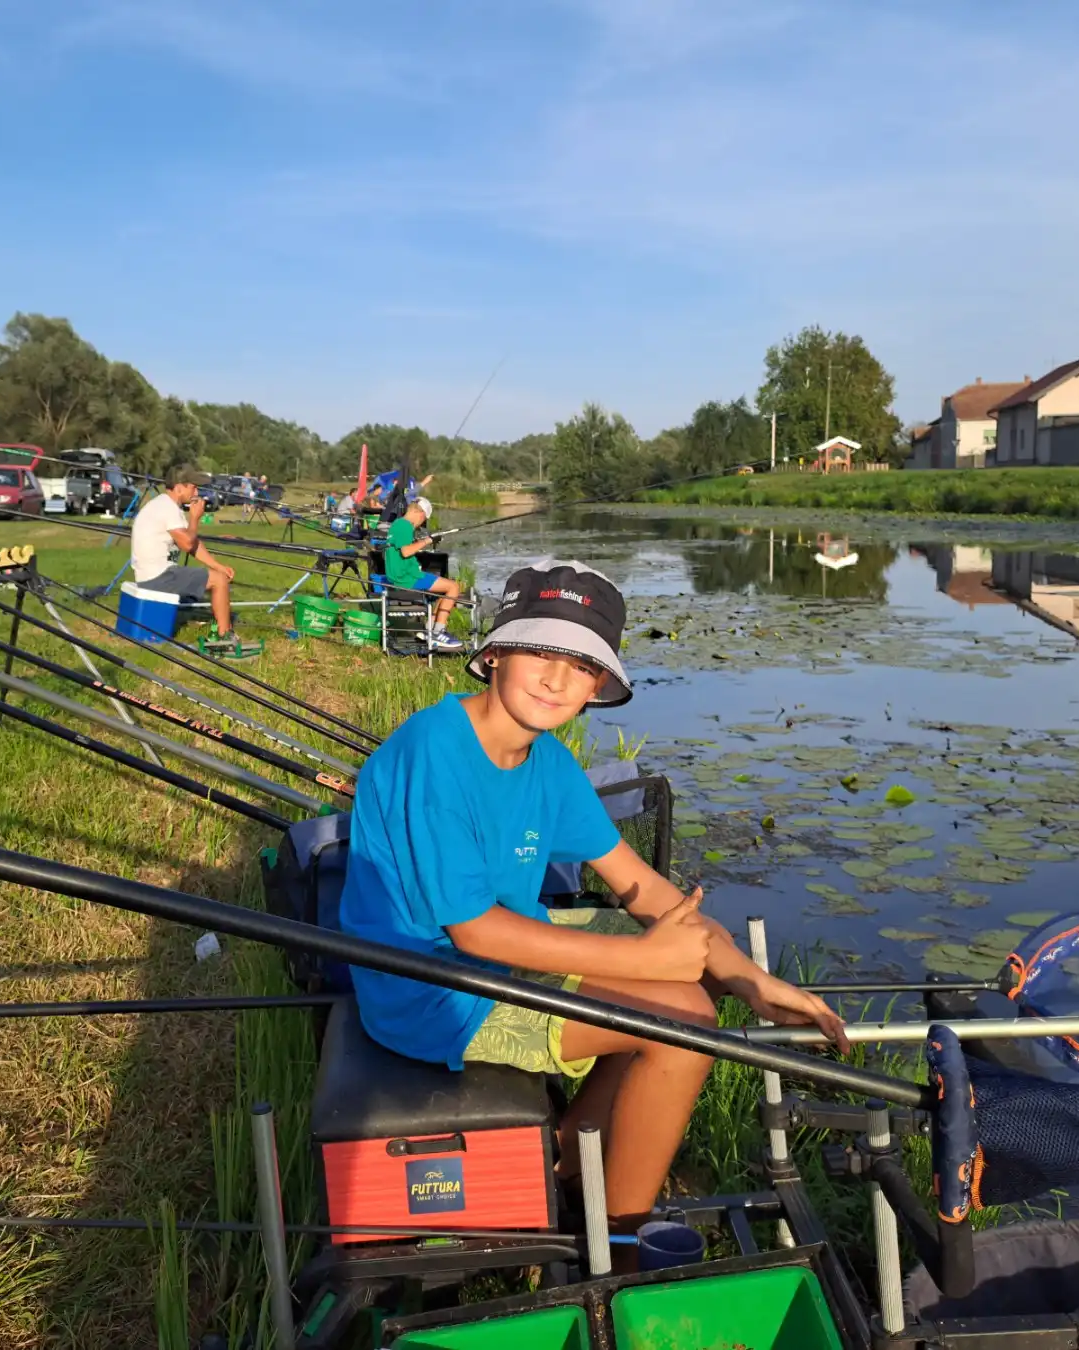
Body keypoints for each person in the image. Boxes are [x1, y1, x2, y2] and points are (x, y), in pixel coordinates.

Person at [339, 560, 847, 1243]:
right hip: (434, 990)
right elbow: (474, 933)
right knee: (687, 1023)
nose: (556, 678)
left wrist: (751, 979)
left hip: (502, 945)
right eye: (540, 652)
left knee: (696, 961)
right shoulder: (435, 752)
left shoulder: (546, 761)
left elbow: (639, 883)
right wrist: (643, 957)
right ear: (494, 654)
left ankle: (570, 1154)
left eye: (579, 665)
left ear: (598, 685)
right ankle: (623, 1246)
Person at [129, 464, 238, 647]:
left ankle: (215, 625)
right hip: (158, 577)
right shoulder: (167, 508)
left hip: (153, 575)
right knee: (219, 581)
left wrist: (217, 565)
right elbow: (188, 544)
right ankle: (225, 637)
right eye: (193, 486)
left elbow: (193, 544)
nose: (197, 491)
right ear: (179, 487)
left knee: (217, 574)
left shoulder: (164, 505)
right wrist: (195, 518)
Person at [382, 495, 463, 650]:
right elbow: (406, 552)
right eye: (424, 520)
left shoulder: (397, 525)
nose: (421, 524)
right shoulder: (405, 526)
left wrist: (424, 540)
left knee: (442, 591)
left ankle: (430, 630)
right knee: (453, 587)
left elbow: (403, 550)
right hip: (407, 578)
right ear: (420, 514)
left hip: (401, 576)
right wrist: (427, 541)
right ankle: (439, 632)